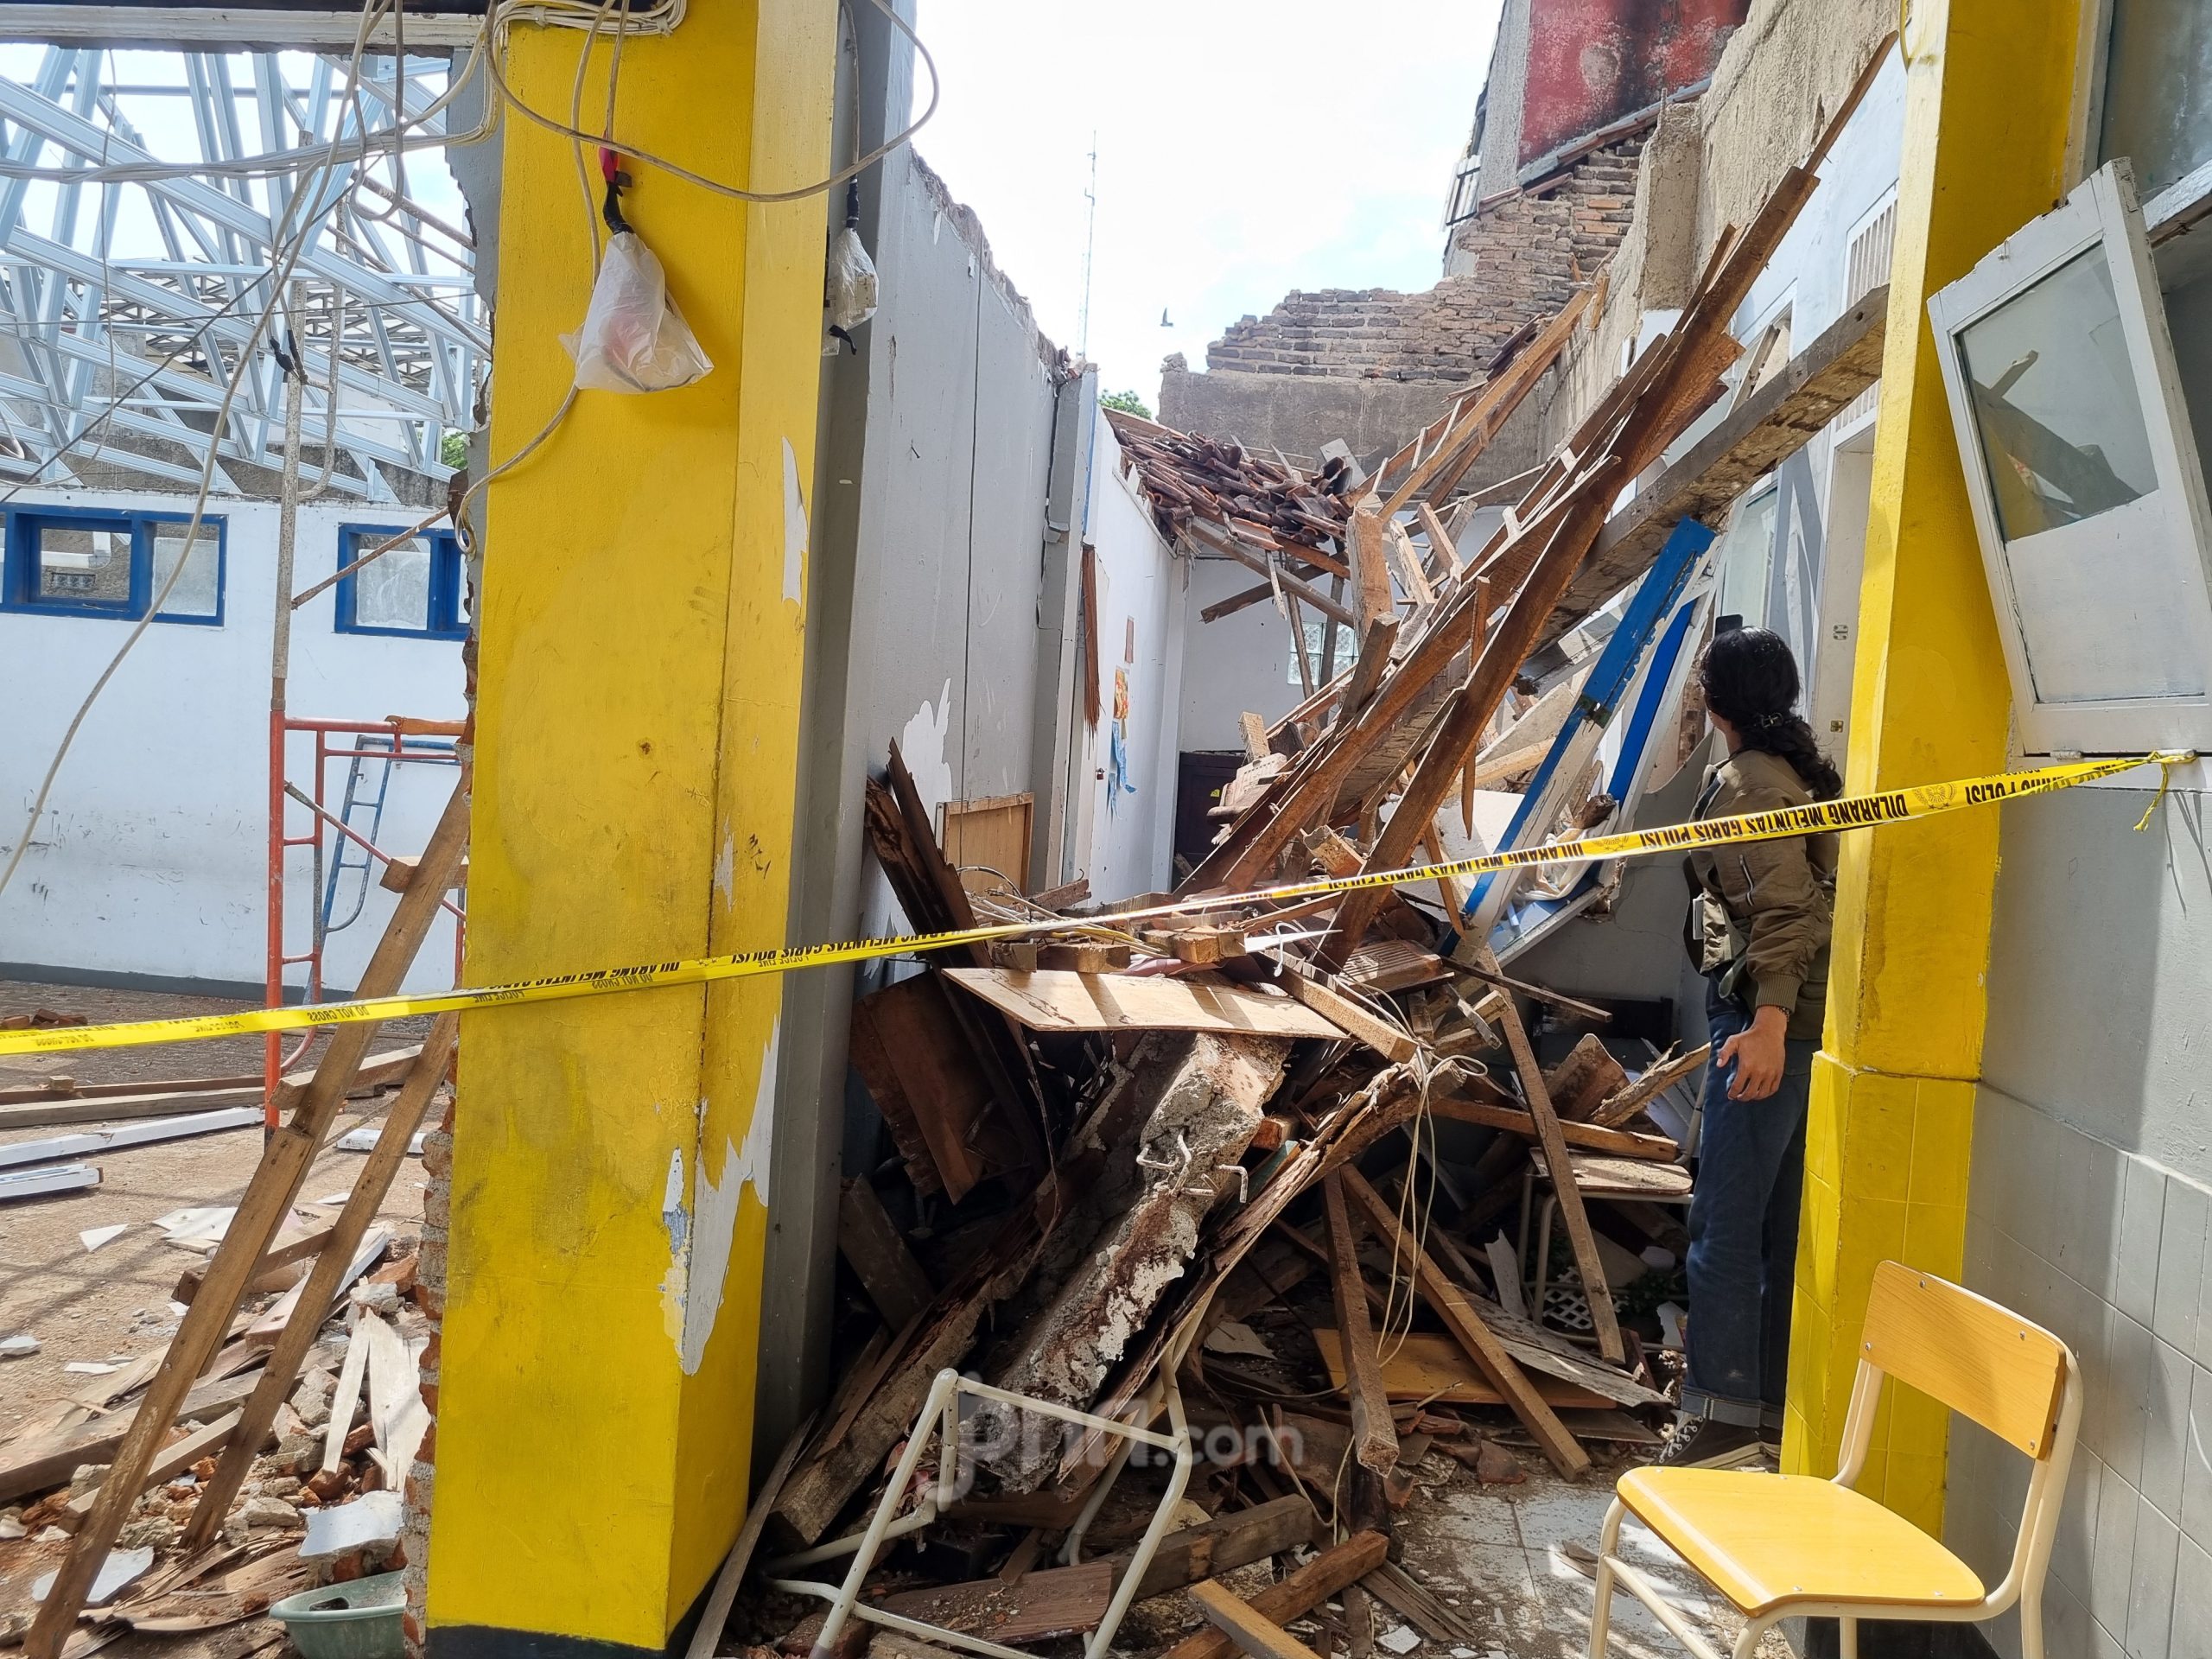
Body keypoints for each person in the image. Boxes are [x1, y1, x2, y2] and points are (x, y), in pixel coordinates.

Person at [1657, 626, 1840, 1469]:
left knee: (1725, 1223)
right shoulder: (1788, 770)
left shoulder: (1750, 784)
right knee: (1773, 1225)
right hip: (1796, 1022)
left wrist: (1764, 1024)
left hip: (1770, 1025)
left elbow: (1783, 911)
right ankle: (1763, 1412)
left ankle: (1722, 1418)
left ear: (1715, 701)